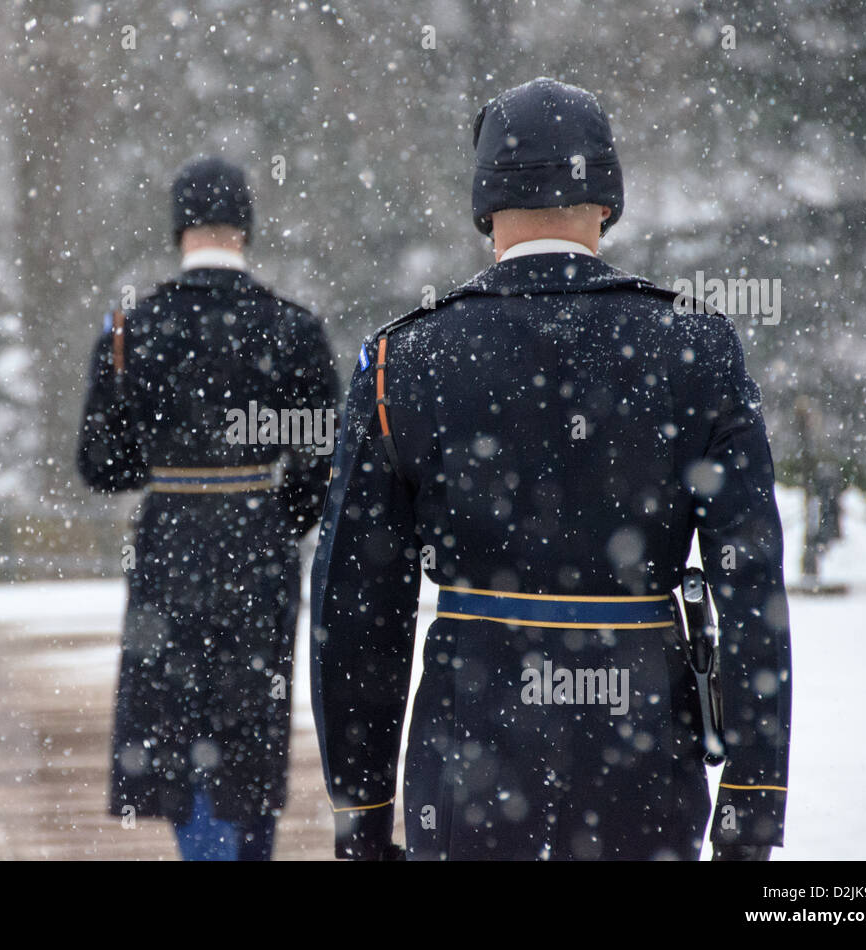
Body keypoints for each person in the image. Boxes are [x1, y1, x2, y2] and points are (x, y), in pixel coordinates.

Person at [310, 78, 792, 861]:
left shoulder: (404, 359)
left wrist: (360, 811)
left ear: (485, 208)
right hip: (645, 760)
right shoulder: (698, 347)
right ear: (606, 202)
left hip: (469, 766)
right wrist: (751, 804)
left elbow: (359, 607)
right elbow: (749, 580)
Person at [78, 156, 338, 860]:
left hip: (169, 544)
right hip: (256, 545)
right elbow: (322, 460)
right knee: (251, 729)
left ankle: (205, 849)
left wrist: (162, 463)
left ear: (179, 229)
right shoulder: (293, 329)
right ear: (245, 228)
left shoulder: (132, 330)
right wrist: (272, 516)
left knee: (173, 724)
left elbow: (100, 467)